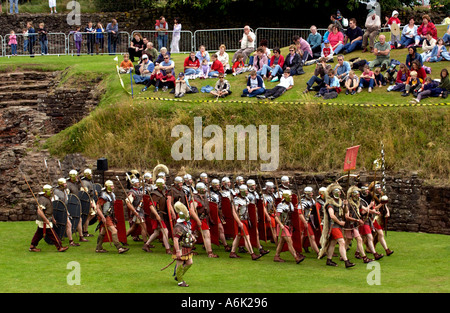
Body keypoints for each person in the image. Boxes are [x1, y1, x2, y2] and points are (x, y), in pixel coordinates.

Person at [318, 183, 355, 268]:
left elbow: (345, 211)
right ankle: (346, 261)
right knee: (342, 242)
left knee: (332, 243)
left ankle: (329, 260)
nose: (340, 193)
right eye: (338, 192)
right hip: (333, 226)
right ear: (334, 193)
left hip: (337, 226)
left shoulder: (339, 202)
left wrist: (345, 205)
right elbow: (332, 215)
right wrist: (339, 222)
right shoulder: (330, 204)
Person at [29, 185, 69, 252]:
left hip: (47, 218)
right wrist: (46, 220)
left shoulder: (47, 198)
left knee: (39, 233)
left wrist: (52, 218)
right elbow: (39, 211)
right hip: (44, 220)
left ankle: (32, 246)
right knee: (52, 234)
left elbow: (49, 210)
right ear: (46, 191)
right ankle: (59, 247)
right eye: (50, 191)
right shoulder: (42, 199)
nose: (51, 192)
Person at [229, 185, 263, 261]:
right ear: (242, 192)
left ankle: (232, 253)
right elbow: (234, 212)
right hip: (240, 220)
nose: (247, 192)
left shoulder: (246, 199)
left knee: (238, 237)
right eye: (246, 191)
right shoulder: (236, 200)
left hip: (246, 220)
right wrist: (239, 222)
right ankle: (252, 254)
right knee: (246, 237)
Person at [95, 180, 129, 254]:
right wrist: (102, 217)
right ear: (107, 187)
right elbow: (97, 208)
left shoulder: (112, 195)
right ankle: (119, 248)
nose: (113, 187)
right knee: (114, 231)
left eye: (113, 186)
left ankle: (98, 247)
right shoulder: (103, 196)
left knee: (103, 231)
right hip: (105, 216)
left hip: (110, 215)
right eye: (111, 186)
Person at [273, 189, 305, 263]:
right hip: (283, 226)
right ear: (286, 196)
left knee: (281, 242)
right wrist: (281, 224)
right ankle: (296, 258)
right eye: (290, 196)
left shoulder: (290, 204)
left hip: (289, 226)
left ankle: (276, 256)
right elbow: (276, 216)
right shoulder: (281, 205)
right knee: (289, 241)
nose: (291, 197)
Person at [345, 186, 373, 264]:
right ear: (353, 195)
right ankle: (364, 258)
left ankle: (342, 255)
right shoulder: (349, 204)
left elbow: (366, 209)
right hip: (349, 225)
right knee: (354, 240)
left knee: (350, 240)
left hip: (354, 225)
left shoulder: (357, 203)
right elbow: (347, 217)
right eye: (357, 194)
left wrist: (373, 210)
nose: (359, 195)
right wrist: (357, 220)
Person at [190, 183, 219, 258]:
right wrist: (198, 220)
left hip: (203, 219)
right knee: (194, 236)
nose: (205, 190)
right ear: (199, 190)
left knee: (203, 235)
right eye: (203, 189)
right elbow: (192, 210)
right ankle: (188, 251)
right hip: (196, 220)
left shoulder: (204, 197)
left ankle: (209, 253)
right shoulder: (195, 198)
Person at [172, 201, 196, 287]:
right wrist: (178, 251)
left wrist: (192, 237)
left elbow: (188, 232)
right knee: (180, 264)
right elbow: (175, 239)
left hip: (187, 247)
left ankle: (179, 276)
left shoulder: (186, 224)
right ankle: (180, 282)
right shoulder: (178, 226)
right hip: (181, 247)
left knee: (189, 262)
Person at [125, 178, 149, 250]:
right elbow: (128, 203)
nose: (138, 183)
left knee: (133, 228)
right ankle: (146, 244)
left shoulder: (138, 190)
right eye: (137, 182)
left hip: (141, 211)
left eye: (139, 182)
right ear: (133, 184)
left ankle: (122, 239)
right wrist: (135, 212)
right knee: (144, 227)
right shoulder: (132, 192)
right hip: (137, 211)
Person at [299, 187, 320, 256]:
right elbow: (299, 213)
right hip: (304, 221)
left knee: (304, 236)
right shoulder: (302, 202)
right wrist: (304, 222)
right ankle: (318, 252)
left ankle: (299, 250)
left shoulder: (312, 201)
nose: (312, 194)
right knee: (310, 236)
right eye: (310, 193)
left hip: (309, 221)